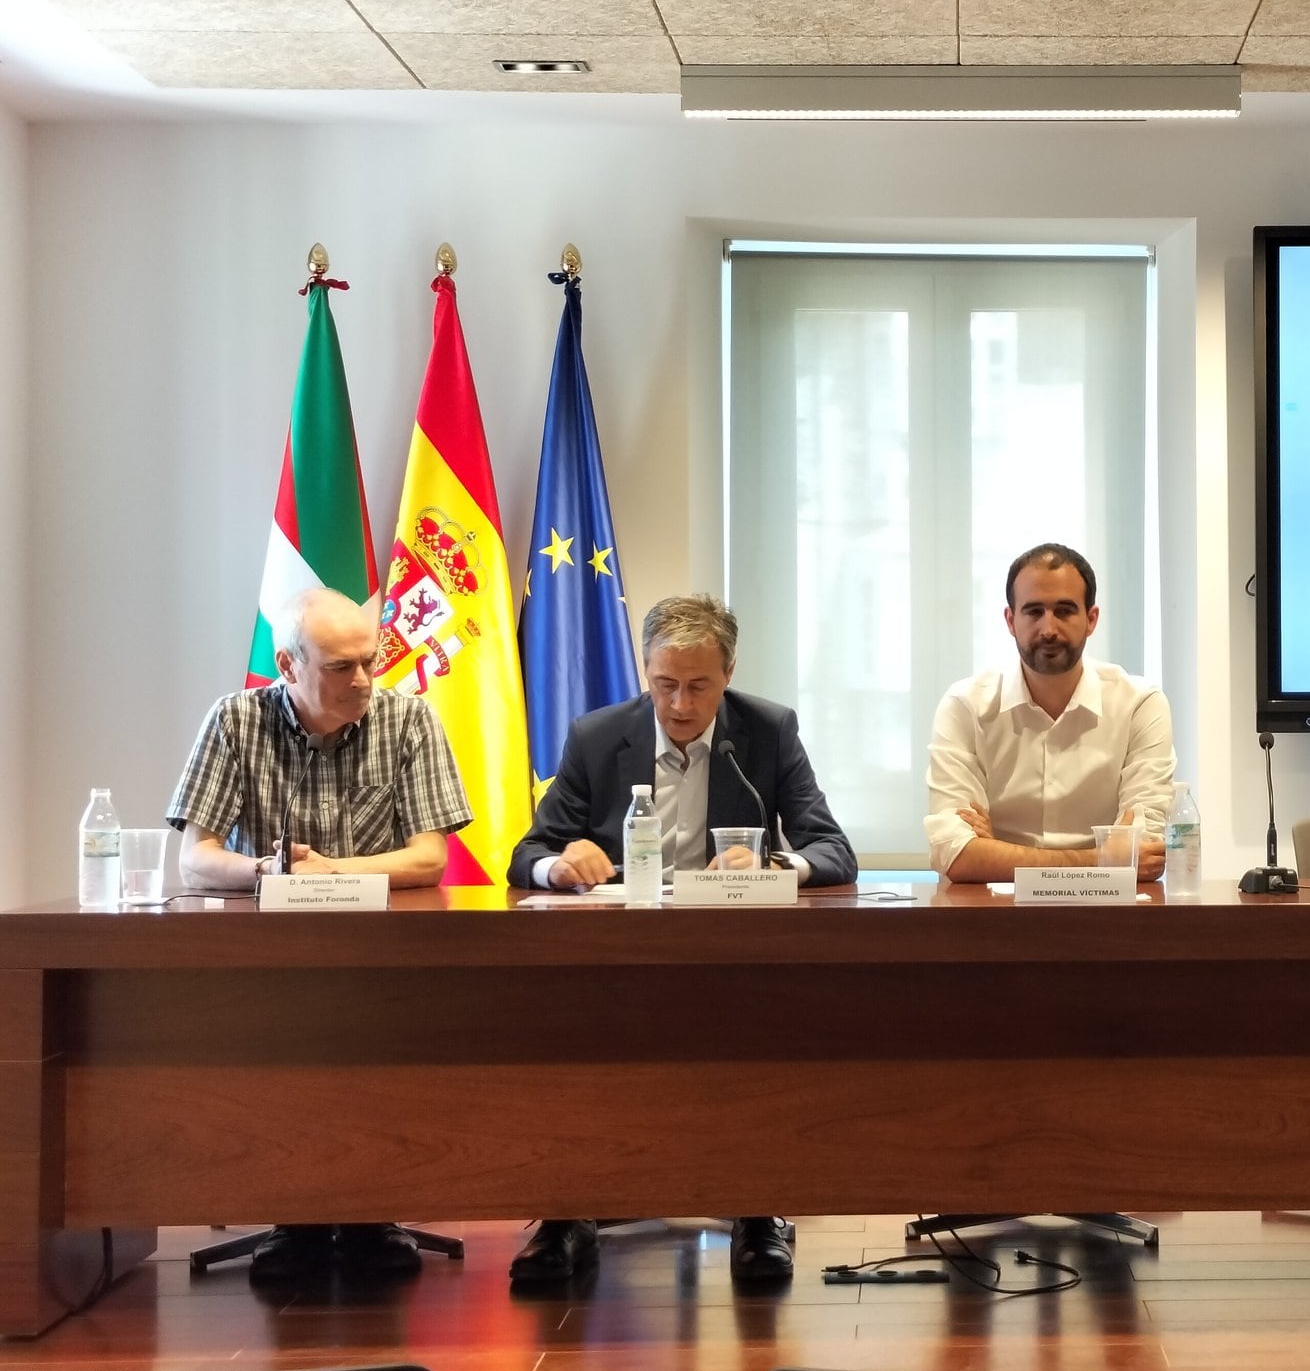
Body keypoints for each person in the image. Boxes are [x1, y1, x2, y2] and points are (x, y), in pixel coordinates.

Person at [506, 593, 855, 1285]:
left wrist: (776, 863)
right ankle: (568, 1214)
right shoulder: (598, 736)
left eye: (698, 686)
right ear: (645, 671)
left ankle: (757, 1214)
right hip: (616, 958)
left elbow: (834, 849)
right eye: (664, 684)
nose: (680, 704)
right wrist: (559, 864)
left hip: (730, 957)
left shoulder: (768, 730)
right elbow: (527, 853)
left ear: (728, 673)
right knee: (557, 1035)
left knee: (766, 1035)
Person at [165, 586, 474, 1283]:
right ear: (287, 662)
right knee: (280, 1039)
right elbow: (196, 856)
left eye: (370, 660)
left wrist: (331, 870)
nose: (364, 680)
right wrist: (272, 872)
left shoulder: (409, 718)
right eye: (341, 667)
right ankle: (294, 1218)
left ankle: (372, 1215)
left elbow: (430, 857)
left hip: (386, 960)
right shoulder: (235, 721)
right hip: (269, 960)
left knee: (382, 1046)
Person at [925, 542, 1176, 883]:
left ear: (1091, 619)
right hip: (991, 918)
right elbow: (956, 855)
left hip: (1110, 917)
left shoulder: (1139, 705)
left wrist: (998, 851)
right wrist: (1103, 857)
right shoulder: (966, 706)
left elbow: (1143, 855)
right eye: (1033, 612)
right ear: (1011, 621)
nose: (1048, 629)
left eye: (1064, 611)